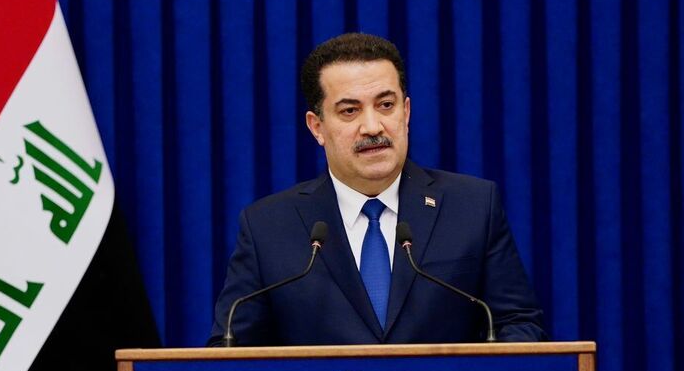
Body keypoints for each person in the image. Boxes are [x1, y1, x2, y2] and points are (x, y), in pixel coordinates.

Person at [208, 32, 544, 345]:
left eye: (386, 105)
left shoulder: (472, 207)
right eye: (350, 111)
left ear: (406, 112)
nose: (372, 127)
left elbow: (519, 325)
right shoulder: (267, 228)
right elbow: (230, 350)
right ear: (317, 127)